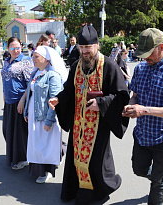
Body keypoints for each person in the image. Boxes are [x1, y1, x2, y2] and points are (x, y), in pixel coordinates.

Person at [48, 25, 130, 204]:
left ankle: (98, 191)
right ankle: (76, 189)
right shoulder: (77, 65)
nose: (85, 52)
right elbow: (69, 90)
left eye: (88, 48)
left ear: (97, 46)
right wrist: (58, 99)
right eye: (82, 48)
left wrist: (101, 104)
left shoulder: (108, 65)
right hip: (79, 122)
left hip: (99, 124)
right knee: (76, 157)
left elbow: (122, 95)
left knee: (95, 161)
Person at [122, 28, 163, 205]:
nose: (145, 58)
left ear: (161, 47)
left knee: (157, 185)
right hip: (142, 134)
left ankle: (160, 177)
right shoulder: (141, 68)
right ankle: (161, 175)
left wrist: (144, 110)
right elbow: (135, 95)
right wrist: (131, 104)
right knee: (139, 169)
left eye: (149, 53)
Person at [23, 46, 67, 184]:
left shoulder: (53, 76)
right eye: (33, 56)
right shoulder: (34, 73)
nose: (33, 59)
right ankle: (38, 169)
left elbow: (55, 99)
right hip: (34, 114)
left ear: (46, 59)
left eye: (36, 57)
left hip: (45, 116)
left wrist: (49, 120)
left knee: (47, 145)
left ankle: (47, 170)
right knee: (36, 143)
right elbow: (30, 94)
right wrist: (26, 111)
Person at [1, 37, 34, 170]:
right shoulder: (6, 61)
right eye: (12, 48)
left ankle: (23, 158)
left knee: (19, 133)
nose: (15, 50)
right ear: (8, 48)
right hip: (8, 101)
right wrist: (3, 96)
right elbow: (4, 80)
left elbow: (30, 83)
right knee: (8, 130)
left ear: (22, 46)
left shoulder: (26, 62)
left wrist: (22, 101)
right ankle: (14, 156)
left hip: (19, 101)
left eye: (18, 47)